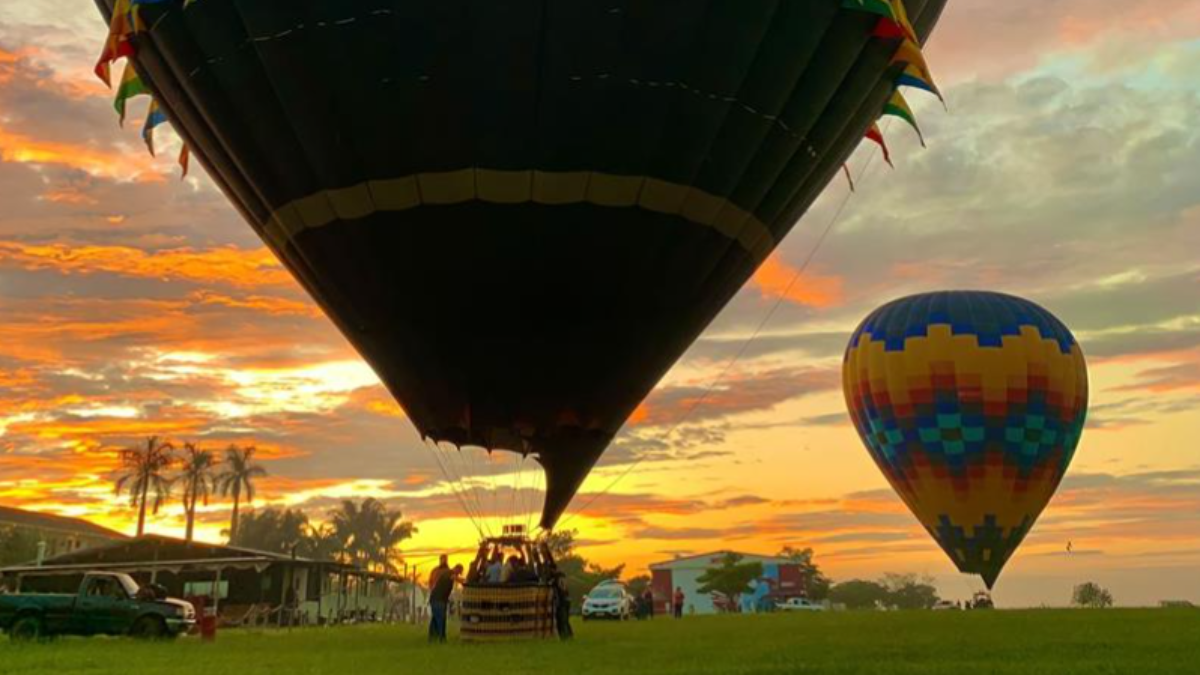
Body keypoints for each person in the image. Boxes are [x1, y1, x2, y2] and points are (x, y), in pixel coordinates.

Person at [428, 561, 460, 643]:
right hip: (438, 600)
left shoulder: (448, 574)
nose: (458, 574)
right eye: (458, 572)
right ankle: (442, 638)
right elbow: (451, 578)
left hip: (437, 599)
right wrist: (461, 580)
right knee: (440, 619)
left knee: (435, 619)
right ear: (456, 569)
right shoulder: (449, 573)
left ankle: (432, 637)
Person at [549, 564, 573, 640]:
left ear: (552, 569)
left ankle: (564, 635)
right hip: (567, 599)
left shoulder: (555, 578)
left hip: (561, 600)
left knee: (561, 619)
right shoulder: (563, 576)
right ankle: (569, 634)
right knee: (565, 619)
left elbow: (554, 585)